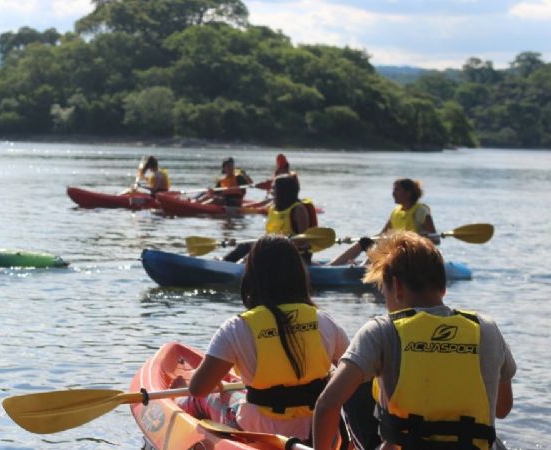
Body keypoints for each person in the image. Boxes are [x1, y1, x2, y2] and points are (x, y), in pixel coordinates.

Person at [312, 232, 516, 450]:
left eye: (384, 292)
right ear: (443, 288)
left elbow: (327, 405)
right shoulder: (486, 328)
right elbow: (502, 409)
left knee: (358, 389)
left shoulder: (381, 330)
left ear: (397, 287)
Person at [178, 235, 349, 442]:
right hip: (319, 434)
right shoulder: (324, 321)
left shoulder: (237, 327)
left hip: (261, 433)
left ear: (252, 276)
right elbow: (353, 377)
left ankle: (176, 422)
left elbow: (198, 388)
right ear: (298, 275)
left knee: (205, 399)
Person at [330, 178, 438, 266]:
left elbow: (436, 239)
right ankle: (332, 266)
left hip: (411, 253)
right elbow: (382, 235)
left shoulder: (420, 211)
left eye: (397, 190)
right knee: (365, 242)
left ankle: (363, 268)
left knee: (384, 246)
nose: (393, 193)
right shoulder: (396, 212)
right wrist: (356, 239)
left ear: (408, 193)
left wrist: (424, 237)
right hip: (394, 250)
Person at [224, 174, 318, 263]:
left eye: (273, 188)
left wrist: (276, 243)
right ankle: (224, 262)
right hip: (274, 249)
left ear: (283, 190)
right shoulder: (273, 208)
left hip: (294, 254)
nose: (270, 190)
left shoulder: (298, 209)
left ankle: (241, 266)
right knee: (244, 246)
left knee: (257, 252)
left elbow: (303, 241)